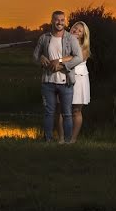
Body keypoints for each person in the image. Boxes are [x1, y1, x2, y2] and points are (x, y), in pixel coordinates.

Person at [33, 10, 83, 143]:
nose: (59, 22)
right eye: (57, 19)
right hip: (48, 82)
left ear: (65, 21)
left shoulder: (71, 38)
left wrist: (61, 65)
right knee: (49, 112)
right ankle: (48, 140)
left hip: (66, 82)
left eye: (62, 20)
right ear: (52, 20)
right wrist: (41, 58)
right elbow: (35, 56)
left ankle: (67, 142)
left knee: (67, 113)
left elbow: (79, 58)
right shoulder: (44, 38)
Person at [57, 21, 91, 143]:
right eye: (75, 28)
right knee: (62, 110)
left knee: (76, 111)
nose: (76, 30)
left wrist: (57, 60)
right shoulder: (62, 42)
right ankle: (61, 139)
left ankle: (72, 140)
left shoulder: (84, 49)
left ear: (83, 35)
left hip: (80, 80)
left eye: (80, 30)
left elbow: (73, 59)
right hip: (65, 78)